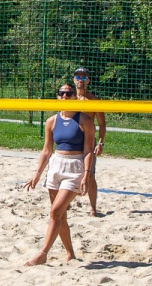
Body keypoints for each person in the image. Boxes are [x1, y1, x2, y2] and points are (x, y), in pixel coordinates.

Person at [24, 83, 93, 265]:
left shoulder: (84, 120)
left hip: (75, 167)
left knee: (55, 211)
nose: (64, 96)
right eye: (61, 93)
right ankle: (70, 253)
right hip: (56, 165)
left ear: (75, 97)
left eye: (68, 93)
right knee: (60, 215)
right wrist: (37, 174)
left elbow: (88, 151)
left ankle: (43, 253)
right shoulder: (52, 121)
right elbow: (46, 150)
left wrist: (86, 174)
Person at [70, 66, 108, 214]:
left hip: (88, 140)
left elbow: (102, 124)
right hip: (72, 140)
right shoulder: (69, 98)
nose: (80, 80)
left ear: (88, 80)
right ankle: (66, 202)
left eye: (83, 77)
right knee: (70, 174)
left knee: (90, 175)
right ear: (74, 80)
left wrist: (100, 143)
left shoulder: (93, 100)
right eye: (78, 77)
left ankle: (93, 207)